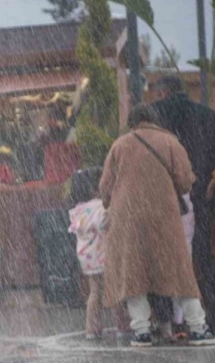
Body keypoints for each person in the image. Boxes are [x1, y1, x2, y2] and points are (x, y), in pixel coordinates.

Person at [100, 104, 215, 347]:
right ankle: (197, 327)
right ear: (155, 120)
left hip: (127, 218)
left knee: (134, 275)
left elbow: (105, 187)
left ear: (132, 122)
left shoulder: (119, 146)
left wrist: (112, 200)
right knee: (179, 271)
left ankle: (141, 332)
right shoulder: (170, 142)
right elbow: (185, 182)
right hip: (163, 216)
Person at [151, 75, 215, 328]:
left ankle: (169, 320)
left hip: (165, 199)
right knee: (201, 259)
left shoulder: (154, 118)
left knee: (165, 260)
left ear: (162, 92)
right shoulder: (208, 116)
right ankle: (206, 316)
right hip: (202, 199)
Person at [67, 167, 129, 340]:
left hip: (87, 259)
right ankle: (122, 326)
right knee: (114, 292)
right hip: (105, 256)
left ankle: (91, 329)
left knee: (95, 293)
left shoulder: (78, 210)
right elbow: (106, 224)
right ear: (95, 188)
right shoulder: (100, 207)